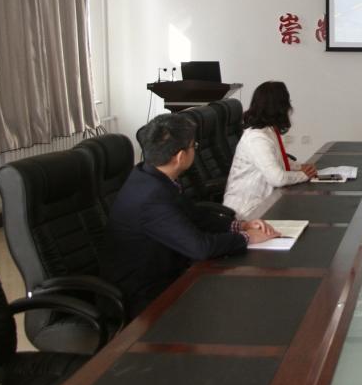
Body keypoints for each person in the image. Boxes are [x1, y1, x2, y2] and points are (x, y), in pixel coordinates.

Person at [106, 113, 277, 318]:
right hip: (147, 296)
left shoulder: (148, 174)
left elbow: (194, 214)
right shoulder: (151, 198)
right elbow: (200, 248)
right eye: (193, 146)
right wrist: (246, 238)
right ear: (180, 157)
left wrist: (240, 226)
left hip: (170, 272)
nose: (195, 149)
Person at [223, 81, 318, 219]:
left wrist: (300, 167)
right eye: (287, 102)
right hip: (246, 212)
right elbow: (277, 178)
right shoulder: (256, 139)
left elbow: (278, 159)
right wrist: (303, 175)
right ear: (279, 107)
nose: (289, 107)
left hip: (265, 203)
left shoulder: (268, 131)